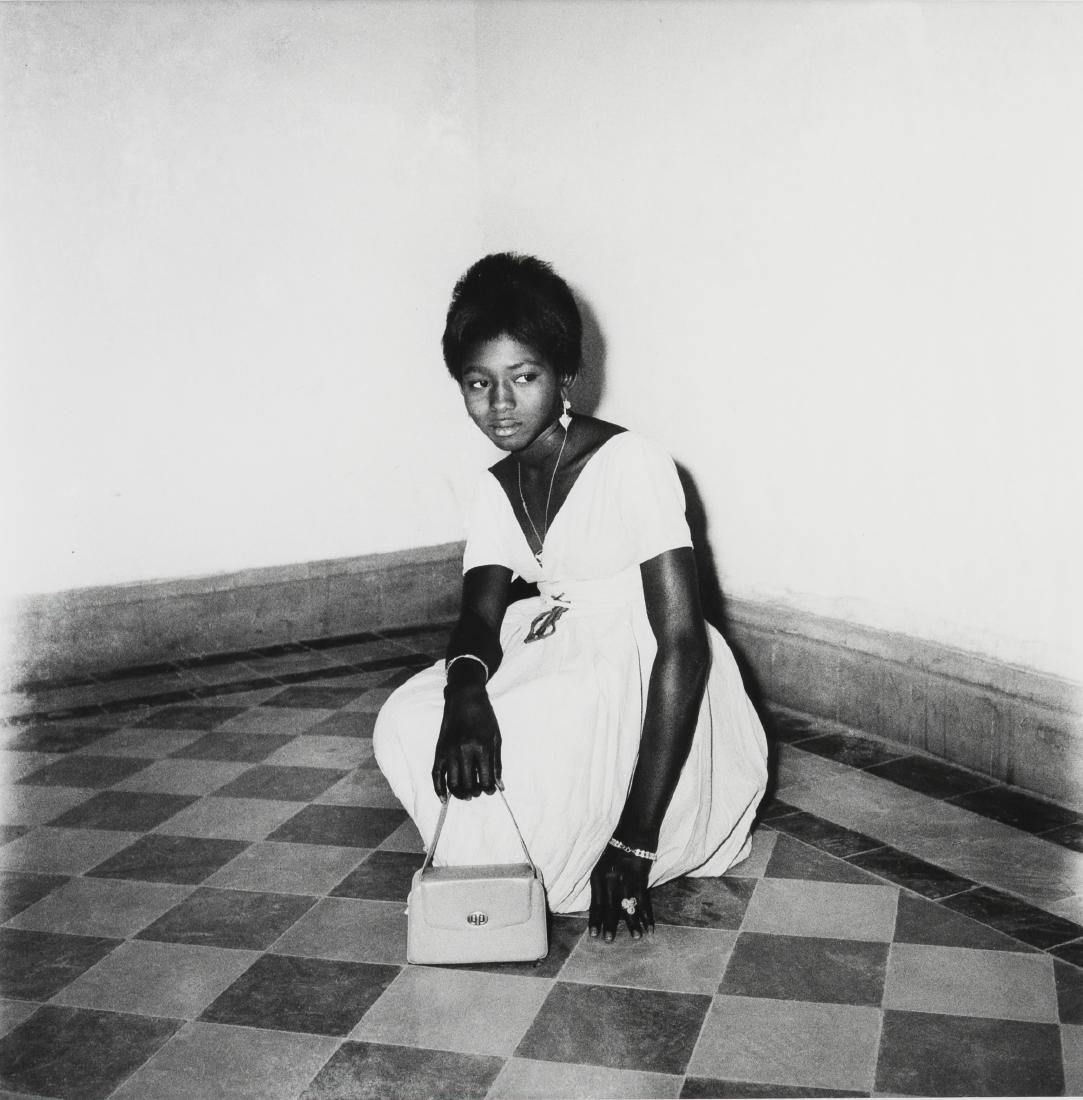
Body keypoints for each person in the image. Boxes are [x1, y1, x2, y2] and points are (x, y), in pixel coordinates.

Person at [373, 253, 768, 942]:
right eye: (478, 383)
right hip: (558, 643)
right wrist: (464, 692)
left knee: (533, 743)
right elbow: (478, 614)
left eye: (522, 378)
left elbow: (680, 644)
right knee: (407, 717)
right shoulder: (496, 486)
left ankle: (599, 840)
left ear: (565, 377)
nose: (500, 405)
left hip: (649, 666)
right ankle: (518, 852)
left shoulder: (631, 464)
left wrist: (634, 844)